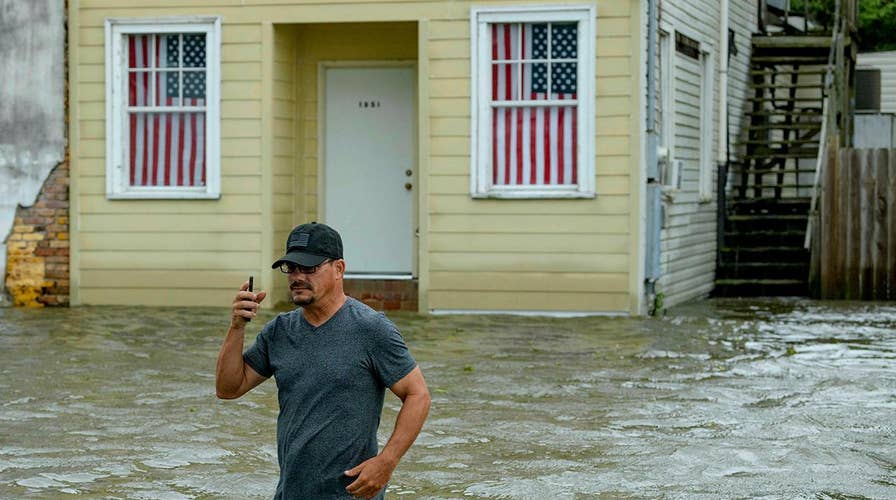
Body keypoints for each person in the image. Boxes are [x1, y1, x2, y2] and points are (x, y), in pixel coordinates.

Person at [215, 222, 431, 499]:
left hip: (351, 494)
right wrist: (237, 327)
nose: (297, 276)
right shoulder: (279, 331)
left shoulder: (371, 329)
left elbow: (419, 395)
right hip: (291, 492)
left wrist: (386, 462)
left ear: (339, 269)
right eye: (291, 268)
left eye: (309, 268)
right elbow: (228, 388)